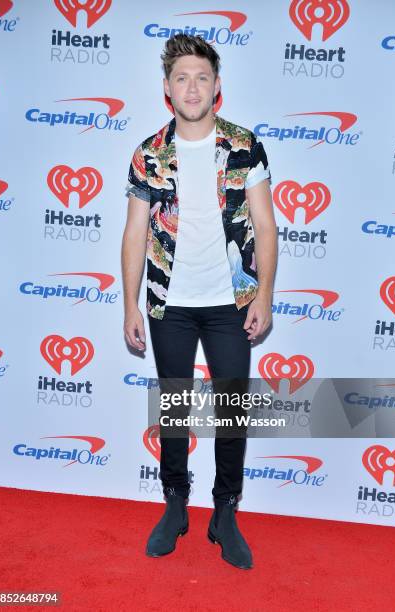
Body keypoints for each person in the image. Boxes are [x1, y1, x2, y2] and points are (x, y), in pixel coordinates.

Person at [122, 34, 277, 569]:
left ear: (217, 87)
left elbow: (265, 225)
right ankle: (175, 505)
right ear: (168, 89)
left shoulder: (244, 145)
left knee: (232, 414)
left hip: (231, 302)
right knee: (174, 410)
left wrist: (266, 294)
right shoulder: (148, 153)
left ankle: (225, 512)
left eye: (202, 77)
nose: (192, 87)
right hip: (169, 303)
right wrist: (129, 306)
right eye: (182, 78)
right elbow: (135, 232)